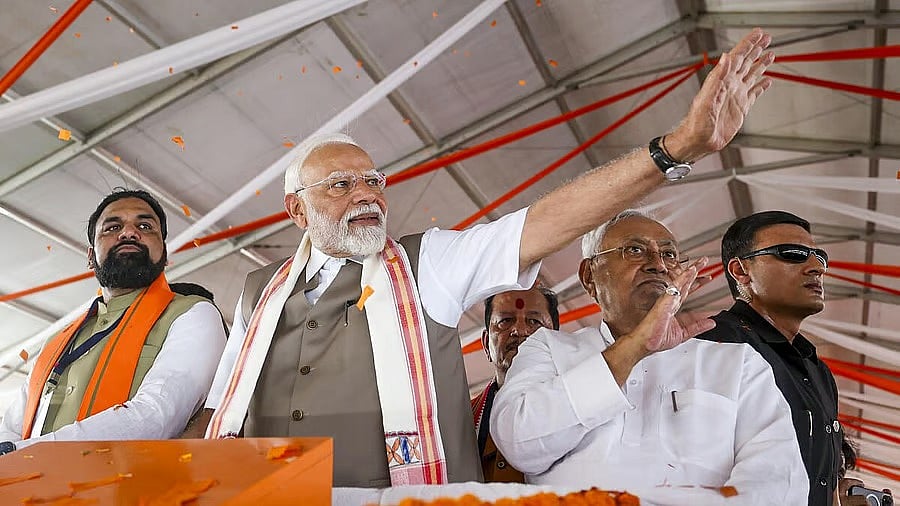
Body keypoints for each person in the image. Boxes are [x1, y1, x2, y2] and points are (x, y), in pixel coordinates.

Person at [193, 29, 776, 488]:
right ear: (297, 210)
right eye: (342, 185)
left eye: (373, 180)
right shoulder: (257, 291)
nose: (367, 194)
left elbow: (546, 222)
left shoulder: (430, 264)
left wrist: (673, 150)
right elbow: (220, 407)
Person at [491, 210, 808, 504]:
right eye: (634, 250)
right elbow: (519, 443)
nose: (658, 263)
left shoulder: (737, 364)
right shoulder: (547, 349)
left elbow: (776, 477)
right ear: (590, 276)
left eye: (669, 254)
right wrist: (635, 347)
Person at [0, 189, 226, 455]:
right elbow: (13, 425)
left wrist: (23, 452)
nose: (128, 233)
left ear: (164, 253)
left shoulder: (193, 314)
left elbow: (156, 415)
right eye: (112, 227)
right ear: (90, 256)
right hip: (30, 491)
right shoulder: (58, 341)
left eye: (145, 226)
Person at [697, 210, 866, 506]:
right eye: (793, 254)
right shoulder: (712, 343)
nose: (816, 267)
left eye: (820, 256)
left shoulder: (817, 370)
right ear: (740, 271)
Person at [472, 286, 559, 482]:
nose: (520, 330)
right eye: (505, 321)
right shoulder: (461, 420)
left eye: (534, 321)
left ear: (557, 339)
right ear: (487, 344)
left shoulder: (583, 407)